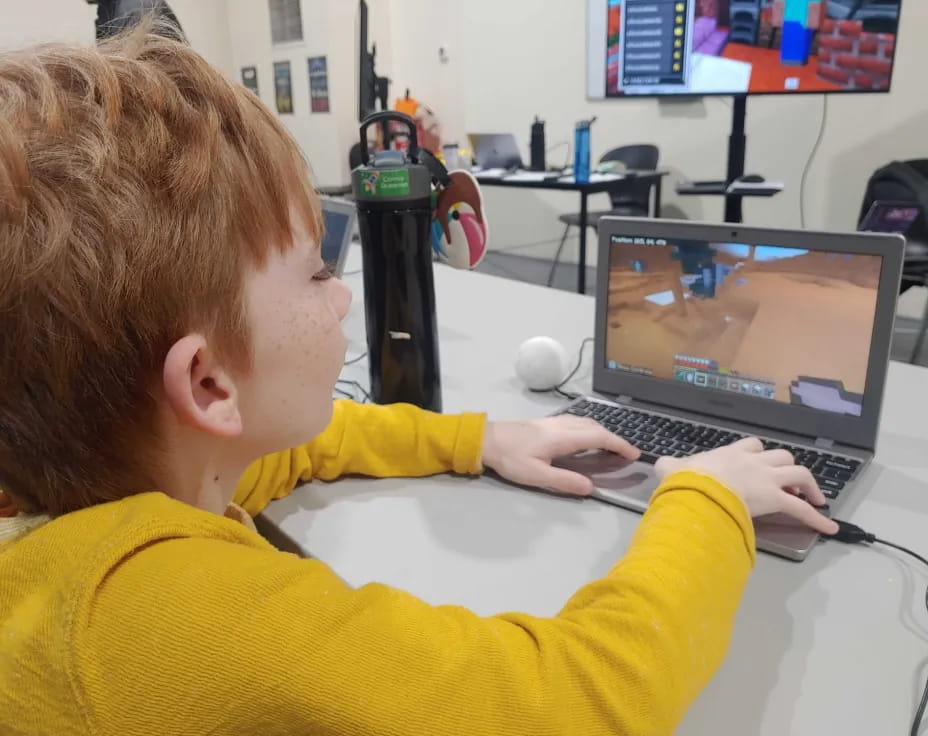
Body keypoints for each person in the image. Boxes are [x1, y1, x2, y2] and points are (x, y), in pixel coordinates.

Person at [0, 27, 838, 736]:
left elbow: (299, 450)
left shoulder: (110, 482)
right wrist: (703, 501)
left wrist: (482, 440)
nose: (343, 300)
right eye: (316, 274)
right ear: (211, 386)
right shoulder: (170, 617)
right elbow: (576, 700)